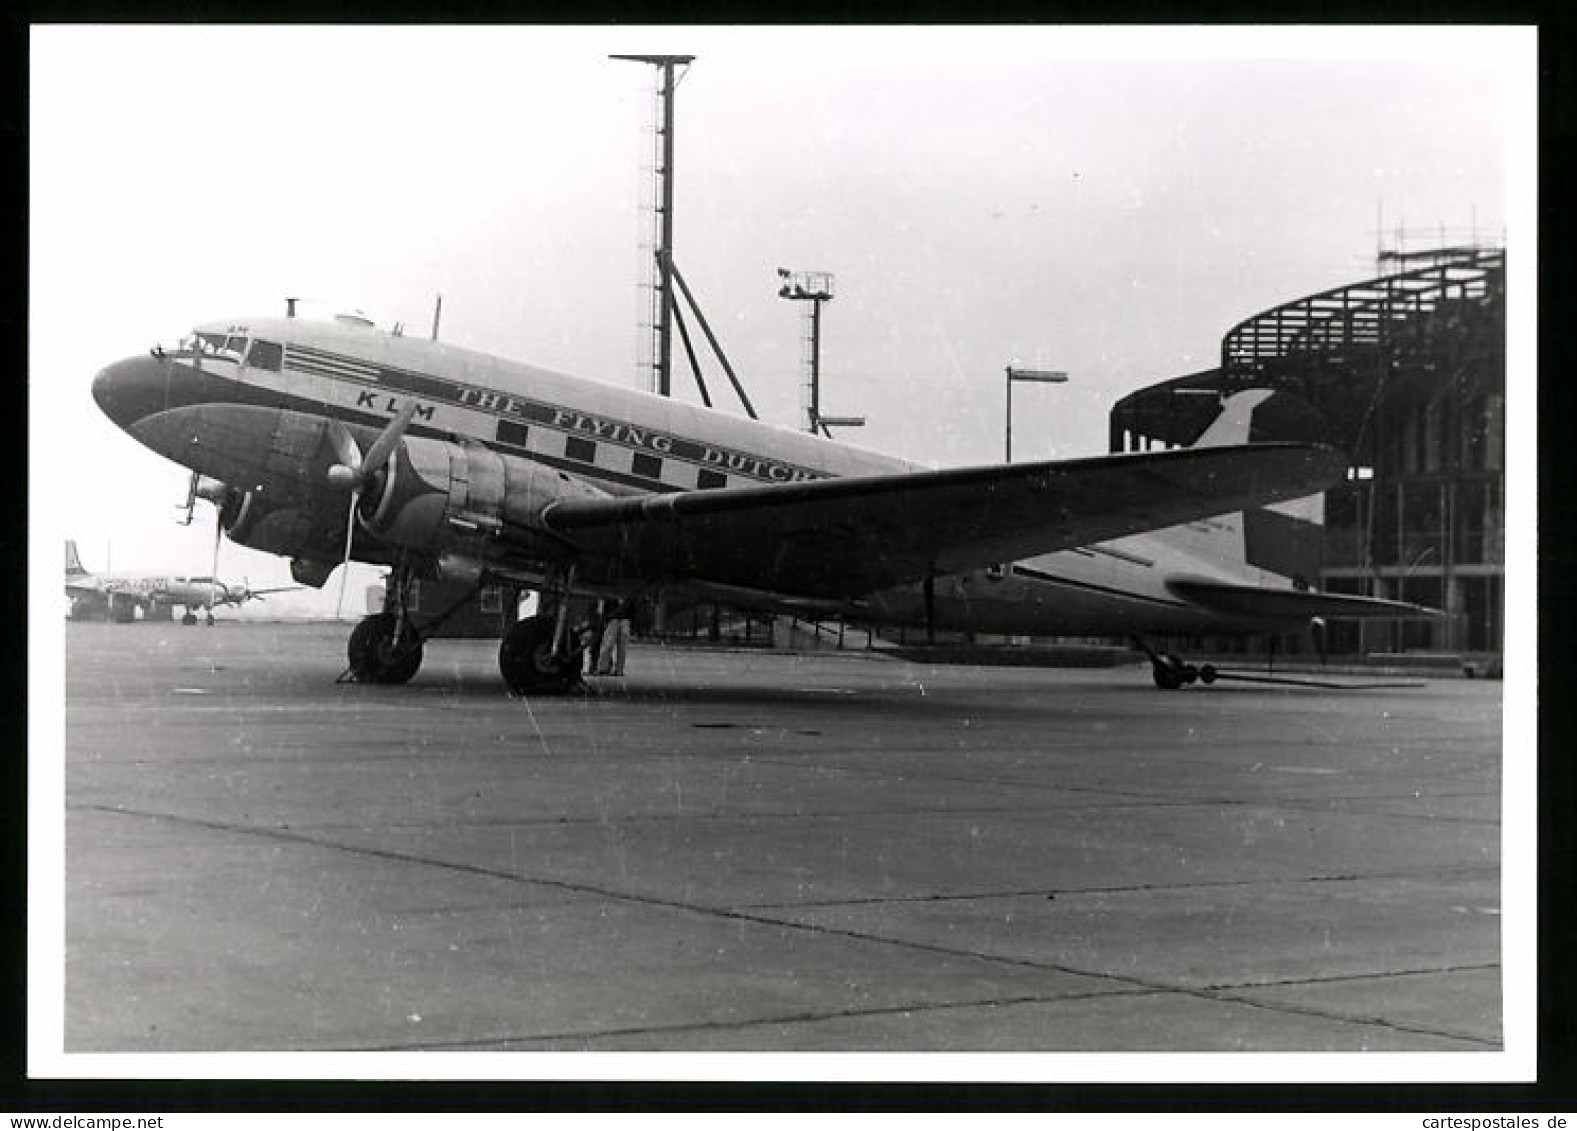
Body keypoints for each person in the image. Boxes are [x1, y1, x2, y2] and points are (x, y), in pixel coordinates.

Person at [595, 601, 632, 676]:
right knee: (608, 644)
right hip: (614, 619)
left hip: (623, 619)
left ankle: (618, 669)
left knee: (621, 647)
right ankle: (603, 668)